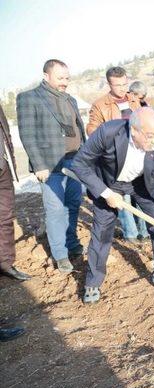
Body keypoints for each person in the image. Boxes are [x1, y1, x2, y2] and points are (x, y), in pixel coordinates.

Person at [71, 108, 154, 304]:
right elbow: (80, 163)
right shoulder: (108, 133)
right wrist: (106, 193)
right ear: (134, 130)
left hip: (141, 184)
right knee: (103, 229)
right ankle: (92, 283)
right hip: (108, 182)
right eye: (150, 136)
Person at [16, 59, 86, 273]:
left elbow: (79, 130)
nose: (65, 82)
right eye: (60, 78)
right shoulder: (29, 98)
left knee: (73, 205)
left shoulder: (70, 99)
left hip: (75, 161)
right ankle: (60, 255)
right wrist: (38, 165)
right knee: (55, 210)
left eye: (67, 78)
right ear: (46, 76)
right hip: (49, 165)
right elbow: (27, 134)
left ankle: (72, 244)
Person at [87, 67, 148, 243]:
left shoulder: (134, 100)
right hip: (114, 158)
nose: (122, 88)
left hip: (136, 155)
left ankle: (144, 232)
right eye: (117, 85)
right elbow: (91, 128)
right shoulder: (99, 105)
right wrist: (108, 138)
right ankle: (130, 233)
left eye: (124, 84)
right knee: (123, 198)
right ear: (109, 84)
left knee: (140, 193)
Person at [0, 105, 31, 281]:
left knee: (5, 218)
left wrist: (9, 157)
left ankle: (5, 264)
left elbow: (5, 131)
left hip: (4, 167)